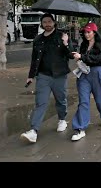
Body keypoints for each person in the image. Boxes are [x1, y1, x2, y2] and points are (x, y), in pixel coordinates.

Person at [20, 13, 76, 143]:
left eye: (49, 21)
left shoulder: (62, 36)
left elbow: (71, 55)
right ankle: (33, 131)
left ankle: (62, 119)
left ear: (54, 23)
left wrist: (66, 43)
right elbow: (34, 59)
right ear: (42, 24)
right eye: (44, 22)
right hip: (43, 76)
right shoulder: (38, 39)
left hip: (59, 75)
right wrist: (30, 76)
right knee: (41, 103)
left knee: (61, 100)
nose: (47, 24)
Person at [70, 22, 101, 141]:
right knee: (83, 101)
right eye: (85, 32)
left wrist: (82, 57)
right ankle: (80, 128)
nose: (86, 34)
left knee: (100, 98)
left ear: (94, 32)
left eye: (89, 32)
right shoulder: (83, 44)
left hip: (98, 73)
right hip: (84, 74)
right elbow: (83, 58)